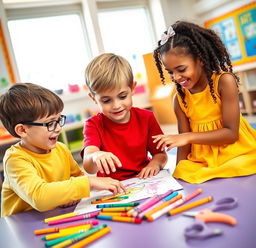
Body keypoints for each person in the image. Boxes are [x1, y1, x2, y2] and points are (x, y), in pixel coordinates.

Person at [152, 21, 256, 184]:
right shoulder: (179, 99)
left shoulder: (224, 82)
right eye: (170, 72)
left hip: (236, 151)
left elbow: (231, 133)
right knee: (183, 171)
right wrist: (177, 175)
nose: (176, 78)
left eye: (181, 69)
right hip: (203, 159)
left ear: (200, 59)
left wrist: (187, 137)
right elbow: (184, 146)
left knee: (239, 166)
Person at [0, 83, 125, 217]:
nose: (59, 127)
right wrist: (89, 182)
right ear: (23, 130)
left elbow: (76, 177)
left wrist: (71, 195)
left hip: (54, 217)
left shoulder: (61, 149)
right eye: (50, 123)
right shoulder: (15, 160)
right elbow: (39, 197)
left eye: (59, 120)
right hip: (22, 227)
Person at [82, 53, 167, 181]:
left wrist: (154, 164)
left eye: (122, 96)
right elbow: (89, 166)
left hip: (144, 180)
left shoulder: (146, 118)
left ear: (132, 88)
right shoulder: (93, 125)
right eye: (106, 100)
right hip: (112, 187)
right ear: (93, 98)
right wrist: (95, 156)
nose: (116, 105)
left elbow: (160, 154)